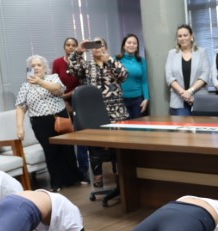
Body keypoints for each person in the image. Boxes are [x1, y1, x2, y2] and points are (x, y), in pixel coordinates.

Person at [16, 55, 81, 192]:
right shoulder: (25, 86)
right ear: (29, 69)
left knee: (67, 149)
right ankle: (56, 182)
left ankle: (74, 178)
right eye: (33, 66)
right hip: (40, 122)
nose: (36, 68)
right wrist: (20, 127)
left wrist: (40, 82)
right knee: (50, 151)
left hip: (60, 117)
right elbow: (20, 107)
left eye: (39, 65)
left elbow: (58, 90)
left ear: (45, 67)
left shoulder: (53, 78)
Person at [69, 37, 129, 187]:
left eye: (99, 45)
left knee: (118, 147)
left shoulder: (112, 62)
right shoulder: (87, 66)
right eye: (93, 45)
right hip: (94, 113)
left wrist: (108, 60)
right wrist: (78, 51)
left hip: (116, 112)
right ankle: (98, 177)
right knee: (95, 147)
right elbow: (73, 69)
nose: (96, 48)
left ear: (105, 48)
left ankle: (121, 176)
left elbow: (124, 75)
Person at [52, 37, 89, 183]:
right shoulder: (57, 63)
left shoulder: (82, 62)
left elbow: (84, 83)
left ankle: (83, 171)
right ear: (64, 47)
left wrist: (71, 95)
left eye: (74, 45)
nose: (71, 47)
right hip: (62, 103)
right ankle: (70, 172)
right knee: (67, 137)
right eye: (68, 45)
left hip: (80, 102)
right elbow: (54, 84)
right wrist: (64, 100)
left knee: (81, 136)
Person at [165, 24, 210, 116]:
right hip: (178, 100)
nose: (182, 38)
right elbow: (169, 76)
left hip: (199, 99)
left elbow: (205, 74)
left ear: (191, 36)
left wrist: (190, 91)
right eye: (180, 36)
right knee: (182, 126)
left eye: (185, 35)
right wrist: (184, 93)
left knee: (200, 125)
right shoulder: (172, 53)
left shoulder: (202, 52)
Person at [117, 34, 150, 119]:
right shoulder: (116, 59)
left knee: (138, 125)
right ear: (124, 45)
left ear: (137, 47)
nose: (131, 45)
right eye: (129, 42)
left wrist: (146, 98)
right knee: (125, 126)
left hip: (137, 100)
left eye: (134, 43)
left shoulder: (141, 61)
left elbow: (144, 81)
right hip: (121, 100)